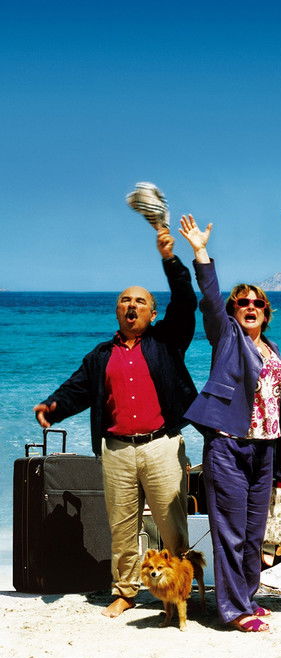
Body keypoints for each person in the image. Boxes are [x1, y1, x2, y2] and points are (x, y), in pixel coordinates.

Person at [34, 225, 196, 617]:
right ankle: (125, 591)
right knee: (122, 527)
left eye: (140, 301)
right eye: (125, 300)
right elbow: (77, 389)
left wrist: (170, 259)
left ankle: (177, 595)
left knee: (172, 526)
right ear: (117, 311)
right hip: (117, 450)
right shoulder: (101, 355)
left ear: (152, 313)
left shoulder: (167, 341)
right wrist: (53, 407)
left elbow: (185, 301)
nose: (131, 305)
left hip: (161, 445)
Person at [178, 215, 281, 633]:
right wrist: (201, 253)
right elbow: (210, 300)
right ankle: (233, 610)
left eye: (257, 303)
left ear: (266, 312)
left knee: (254, 531)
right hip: (228, 445)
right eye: (242, 302)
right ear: (233, 311)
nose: (250, 307)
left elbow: (279, 405)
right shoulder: (226, 337)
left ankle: (246, 596)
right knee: (229, 531)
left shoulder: (273, 349)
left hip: (264, 448)